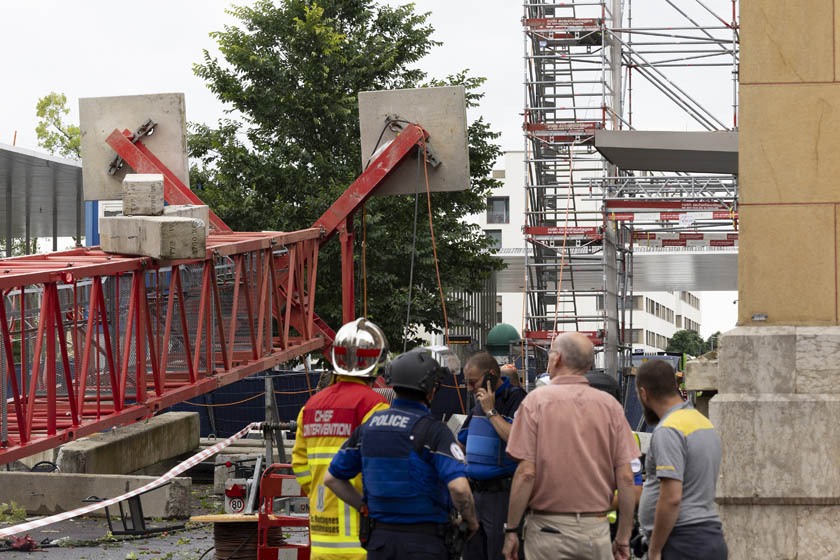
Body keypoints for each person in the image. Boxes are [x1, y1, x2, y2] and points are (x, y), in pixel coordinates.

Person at [324, 348, 479, 560]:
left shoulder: (368, 428)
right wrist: (470, 521)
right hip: (424, 543)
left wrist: (364, 507)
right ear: (431, 390)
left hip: (380, 542)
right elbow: (459, 488)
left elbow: (332, 478)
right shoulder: (434, 432)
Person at [502, 333, 640, 560]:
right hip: (595, 530)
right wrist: (623, 537)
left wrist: (511, 530)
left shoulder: (535, 403)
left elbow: (526, 473)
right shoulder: (610, 407)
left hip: (548, 530)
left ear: (556, 359)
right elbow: (626, 478)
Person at [291, 318, 390, 560]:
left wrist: (318, 492)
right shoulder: (374, 406)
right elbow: (384, 469)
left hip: (322, 542)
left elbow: (300, 466)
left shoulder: (311, 407)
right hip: (362, 541)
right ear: (376, 361)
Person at [635, 359, 727, 560]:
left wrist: (655, 548)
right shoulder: (701, 422)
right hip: (708, 537)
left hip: (681, 542)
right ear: (675, 386)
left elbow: (671, 497)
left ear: (644, 393)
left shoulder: (670, 429)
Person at [458, 352, 526, 560]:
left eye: (473, 382)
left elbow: (517, 441)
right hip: (475, 495)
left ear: (491, 376)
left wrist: (491, 411)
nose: (469, 388)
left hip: (501, 495)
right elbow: (461, 443)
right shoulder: (479, 403)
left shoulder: (516, 399)